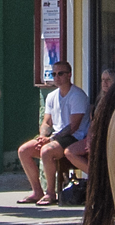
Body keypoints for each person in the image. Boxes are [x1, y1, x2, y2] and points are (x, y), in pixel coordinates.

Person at [17, 62, 89, 206]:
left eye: (60, 73)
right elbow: (46, 122)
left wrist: (51, 139)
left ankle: (51, 193)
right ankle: (37, 192)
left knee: (46, 151)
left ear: (69, 75)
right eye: (54, 74)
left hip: (74, 137)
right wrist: (43, 136)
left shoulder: (77, 95)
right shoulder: (51, 96)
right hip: (56, 137)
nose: (57, 77)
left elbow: (73, 127)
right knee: (24, 150)